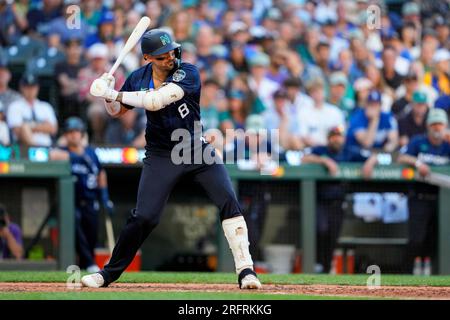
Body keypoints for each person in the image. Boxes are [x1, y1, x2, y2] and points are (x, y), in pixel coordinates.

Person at [81, 29, 262, 289]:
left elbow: (155, 101)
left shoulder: (187, 72)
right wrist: (107, 94)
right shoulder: (137, 78)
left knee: (228, 200)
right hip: (161, 154)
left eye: (171, 51)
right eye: (161, 55)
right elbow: (117, 112)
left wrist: (113, 94)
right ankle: (107, 274)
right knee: (144, 217)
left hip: (195, 147)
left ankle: (246, 271)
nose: (169, 57)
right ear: (147, 58)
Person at [301, 125, 374, 272]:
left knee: (333, 236)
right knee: (321, 230)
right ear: (328, 138)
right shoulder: (321, 150)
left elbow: (373, 157)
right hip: (320, 201)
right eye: (333, 136)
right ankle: (316, 263)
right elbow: (304, 158)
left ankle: (326, 268)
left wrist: (370, 163)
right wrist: (324, 161)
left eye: (339, 136)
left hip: (338, 202)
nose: (336, 139)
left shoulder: (349, 151)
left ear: (344, 138)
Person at [50, 117, 114, 273]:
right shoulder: (63, 151)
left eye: (76, 132)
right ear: (65, 135)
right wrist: (75, 157)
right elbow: (52, 155)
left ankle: (88, 265)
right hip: (72, 203)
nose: (73, 135)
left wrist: (105, 197)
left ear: (81, 133)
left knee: (91, 236)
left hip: (91, 202)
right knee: (76, 230)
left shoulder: (91, 153)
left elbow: (101, 173)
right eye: (70, 132)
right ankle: (89, 263)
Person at [397, 108, 450, 274]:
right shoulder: (418, 141)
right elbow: (401, 157)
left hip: (442, 200)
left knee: (438, 239)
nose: (437, 128)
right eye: (434, 124)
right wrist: (418, 164)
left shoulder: (448, 145)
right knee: (416, 239)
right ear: (428, 126)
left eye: (440, 124)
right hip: (419, 197)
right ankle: (405, 276)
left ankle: (435, 277)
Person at [6, 74, 58, 147]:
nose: (30, 90)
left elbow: (53, 129)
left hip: (47, 147)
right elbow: (17, 130)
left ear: (37, 88)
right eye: (27, 87)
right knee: (24, 128)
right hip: (23, 149)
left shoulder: (45, 106)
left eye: (33, 87)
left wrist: (30, 127)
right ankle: (36, 148)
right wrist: (43, 126)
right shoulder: (15, 106)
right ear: (21, 88)